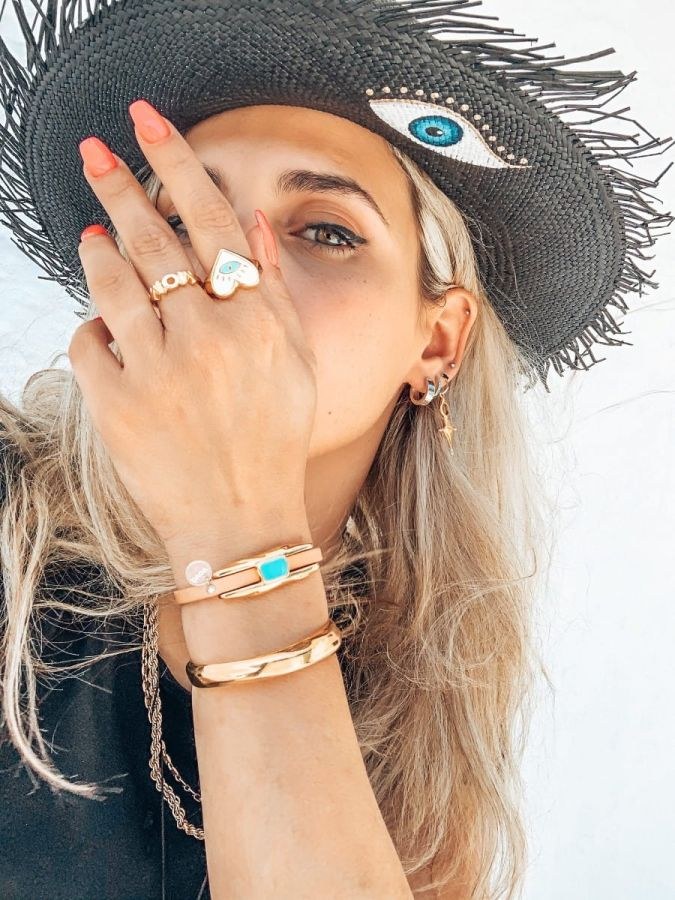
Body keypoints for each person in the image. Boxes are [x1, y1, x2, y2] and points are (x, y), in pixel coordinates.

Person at [0, 1, 672, 898]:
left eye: (325, 231)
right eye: (183, 222)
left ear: (437, 341)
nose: (234, 282)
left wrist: (235, 529)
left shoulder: (415, 728)